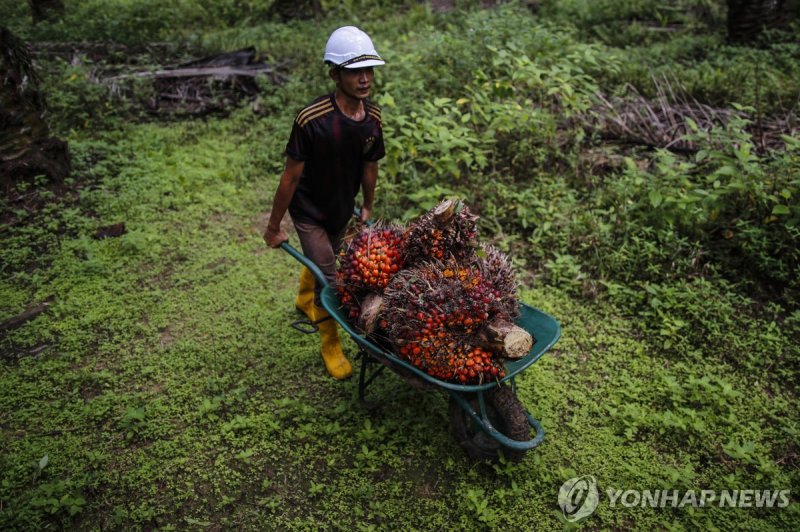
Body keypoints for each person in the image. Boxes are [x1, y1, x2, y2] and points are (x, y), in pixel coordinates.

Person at [263, 26, 386, 380]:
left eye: (369, 70)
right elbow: (290, 177)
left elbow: (370, 165)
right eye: (354, 71)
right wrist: (273, 227)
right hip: (310, 211)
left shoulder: (373, 119)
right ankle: (330, 344)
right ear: (335, 74)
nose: (364, 79)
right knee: (331, 279)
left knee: (326, 260)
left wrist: (367, 205)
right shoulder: (311, 119)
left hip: (340, 207)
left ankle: (304, 299)